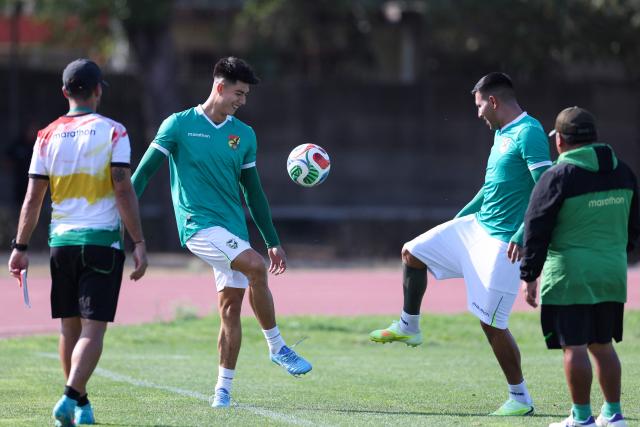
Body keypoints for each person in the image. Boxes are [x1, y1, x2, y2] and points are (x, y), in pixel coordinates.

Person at [131, 56, 312, 408]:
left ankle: (222, 391)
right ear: (220, 87)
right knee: (256, 266)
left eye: (245, 95)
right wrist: (121, 221)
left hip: (232, 231)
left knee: (230, 308)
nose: (242, 101)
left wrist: (273, 240)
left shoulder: (243, 135)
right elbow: (141, 175)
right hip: (197, 225)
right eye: (239, 93)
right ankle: (277, 347)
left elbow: (253, 192)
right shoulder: (178, 125)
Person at [369, 72, 552, 416]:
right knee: (412, 251)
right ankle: (409, 326)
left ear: (493, 101)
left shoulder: (529, 133)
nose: (478, 112)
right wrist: (461, 217)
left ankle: (520, 399)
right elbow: (491, 187)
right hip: (475, 227)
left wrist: (522, 234)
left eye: (480, 105)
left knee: (492, 325)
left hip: (503, 243)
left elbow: (546, 189)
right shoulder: (501, 134)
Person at [7, 58, 148, 427]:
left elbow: (33, 198)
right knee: (93, 329)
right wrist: (138, 240)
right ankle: (70, 397)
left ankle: (81, 406)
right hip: (101, 242)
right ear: (98, 90)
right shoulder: (114, 131)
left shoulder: (46, 135)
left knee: (68, 329)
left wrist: (19, 248)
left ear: (65, 92)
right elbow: (122, 186)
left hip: (61, 243)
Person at [520, 107, 639, 427]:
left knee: (574, 346)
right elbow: (633, 226)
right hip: (612, 273)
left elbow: (536, 228)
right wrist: (613, 253)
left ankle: (581, 417)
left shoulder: (558, 177)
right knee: (603, 344)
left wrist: (529, 275)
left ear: (559, 140)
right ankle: (613, 415)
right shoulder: (624, 172)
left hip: (570, 275)